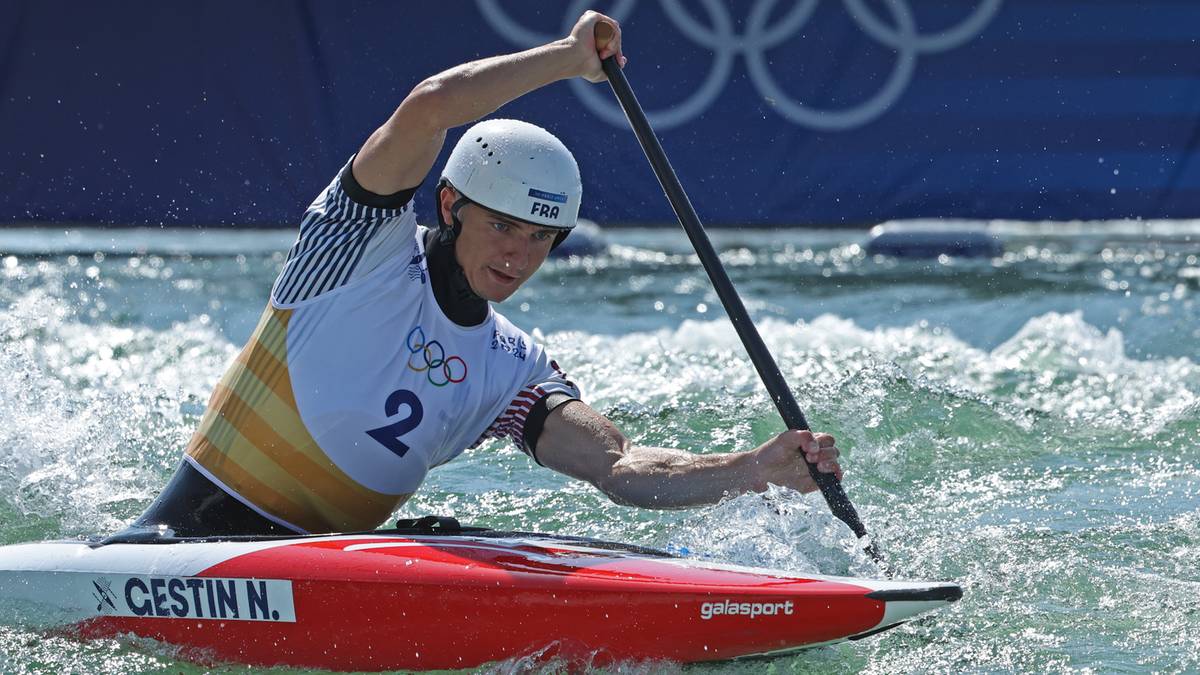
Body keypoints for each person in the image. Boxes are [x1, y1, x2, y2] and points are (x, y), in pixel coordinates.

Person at [127, 10, 842, 538]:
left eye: (540, 238)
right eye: (501, 225)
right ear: (450, 204)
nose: (518, 255)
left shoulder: (512, 369)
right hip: (183, 541)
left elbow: (620, 466)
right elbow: (429, 108)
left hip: (335, 566)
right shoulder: (355, 244)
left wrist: (753, 466)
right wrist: (567, 58)